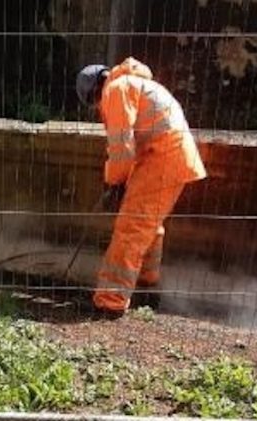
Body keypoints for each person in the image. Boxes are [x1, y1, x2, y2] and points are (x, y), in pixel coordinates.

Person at [75, 57, 207, 317]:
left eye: (94, 105)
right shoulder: (135, 84)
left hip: (162, 158)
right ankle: (147, 283)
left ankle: (109, 303)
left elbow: (121, 148)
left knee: (131, 228)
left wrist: (114, 181)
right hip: (171, 157)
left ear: (94, 93)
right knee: (148, 225)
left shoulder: (115, 90)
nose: (98, 109)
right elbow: (137, 140)